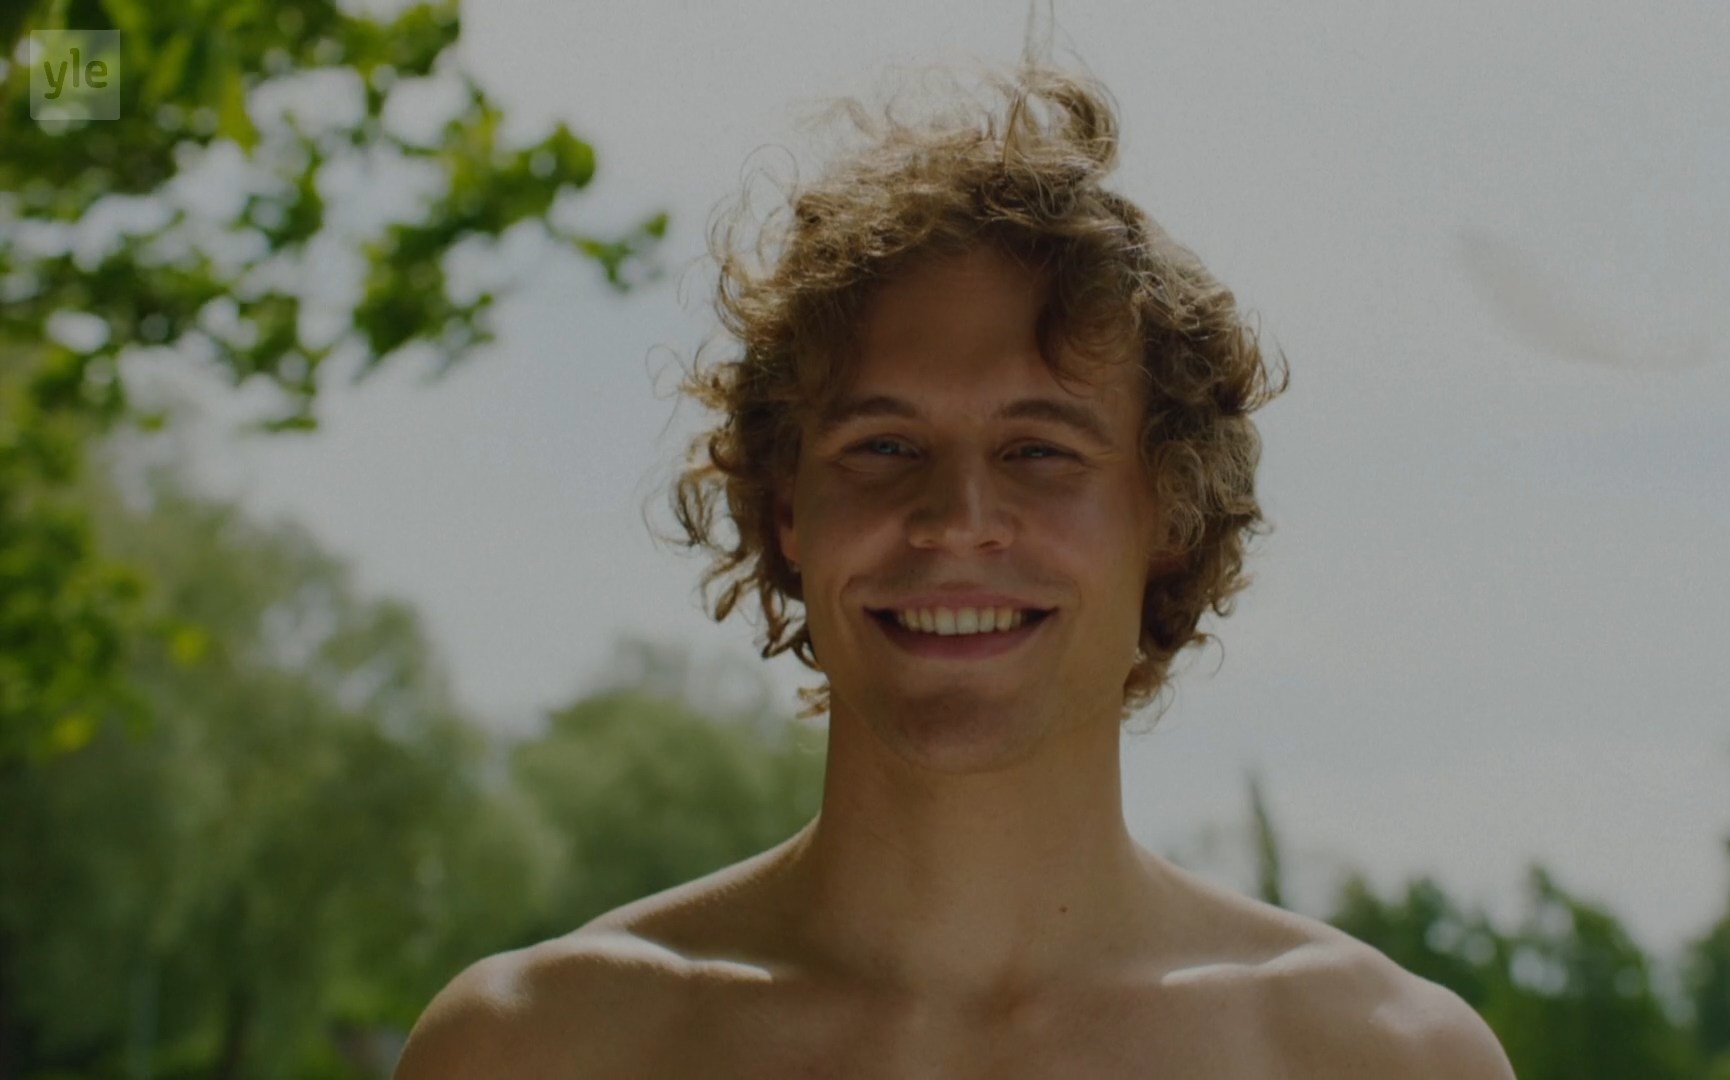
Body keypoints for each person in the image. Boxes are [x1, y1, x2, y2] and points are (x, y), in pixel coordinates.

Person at [396, 57, 1517, 1079]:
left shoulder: (1378, 1059)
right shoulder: (537, 1047)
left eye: (1040, 451)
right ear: (787, 509)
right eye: (885, 447)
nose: (955, 522)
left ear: (1171, 515)